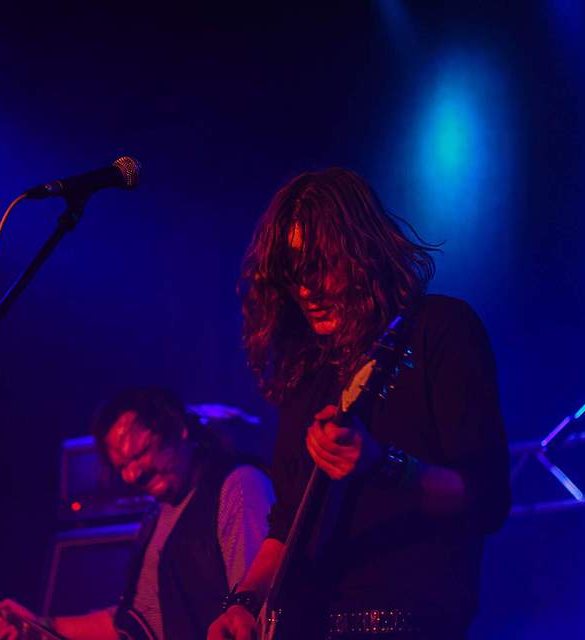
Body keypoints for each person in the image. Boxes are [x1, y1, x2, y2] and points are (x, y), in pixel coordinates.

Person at [207, 168, 511, 639]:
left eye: (319, 264)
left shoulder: (441, 328)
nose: (306, 289)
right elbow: (287, 524)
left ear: (362, 250)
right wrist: (243, 603)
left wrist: (380, 464)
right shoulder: (307, 371)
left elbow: (486, 498)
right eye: (292, 273)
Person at [0, 387, 275, 640]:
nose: (133, 475)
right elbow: (137, 624)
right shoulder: (158, 517)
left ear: (178, 429)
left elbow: (254, 603)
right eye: (122, 466)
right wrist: (41, 626)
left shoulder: (237, 485)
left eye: (141, 453)